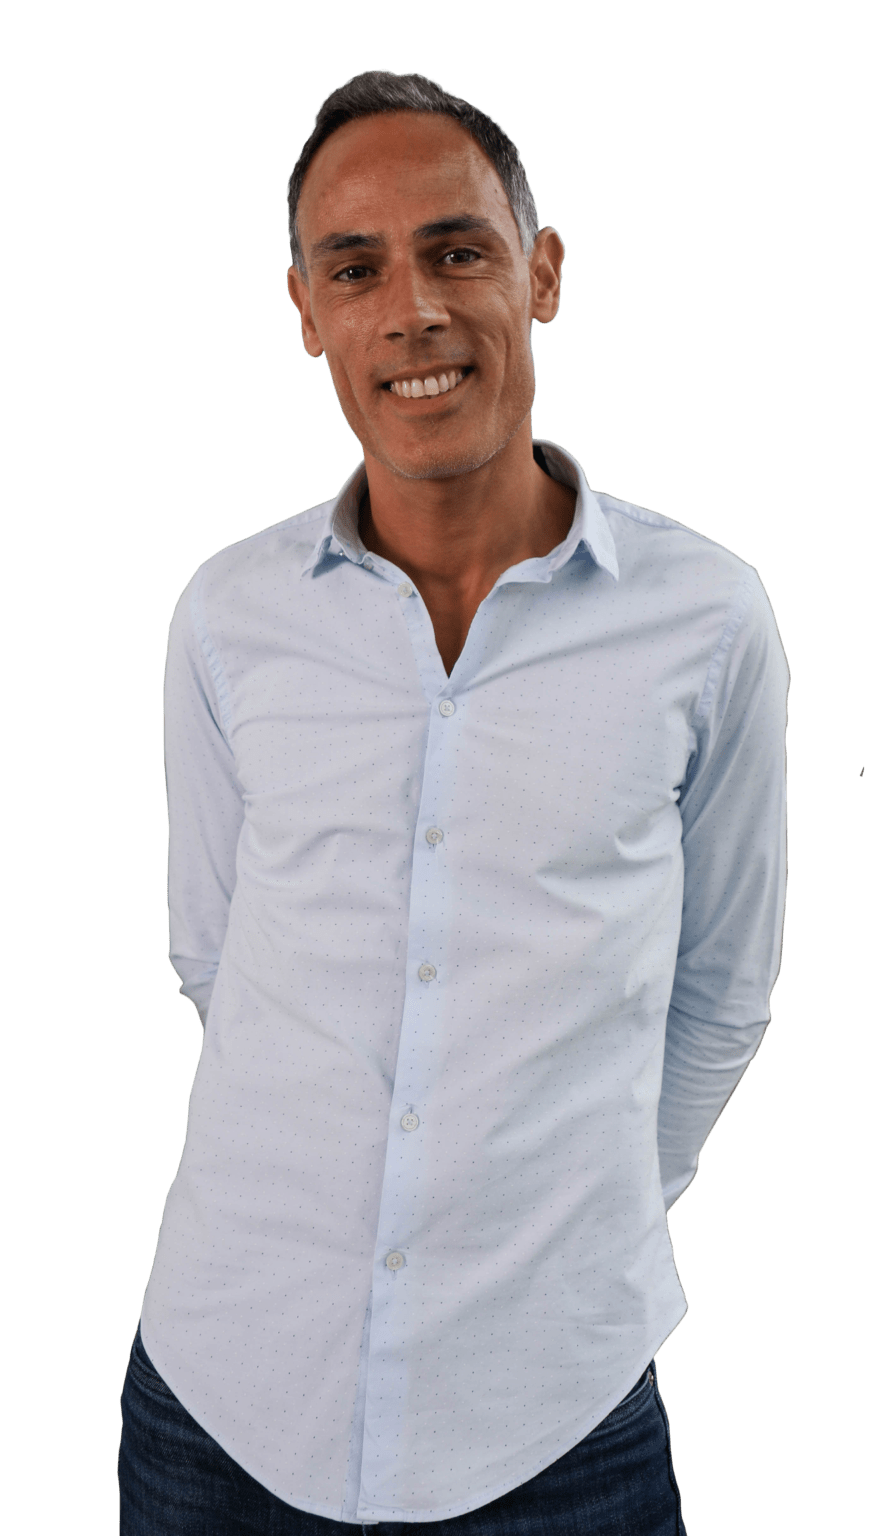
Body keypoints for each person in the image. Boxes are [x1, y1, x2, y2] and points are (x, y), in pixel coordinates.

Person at [118, 69, 788, 1535]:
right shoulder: (228, 616)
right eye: (354, 269)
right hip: (223, 1411)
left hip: (555, 1422)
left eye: (456, 250)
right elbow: (215, 951)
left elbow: (722, 992)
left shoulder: (707, 619)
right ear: (308, 313)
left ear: (539, 274)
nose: (410, 309)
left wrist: (556, 1232)